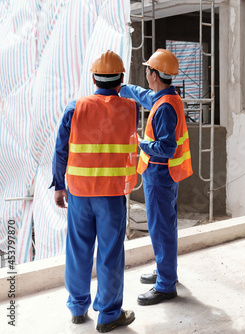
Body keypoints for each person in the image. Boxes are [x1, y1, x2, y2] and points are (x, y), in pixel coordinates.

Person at [51, 50, 138, 332]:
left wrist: (59, 186)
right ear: (121, 79)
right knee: (110, 252)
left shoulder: (74, 107)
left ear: (93, 77)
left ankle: (78, 308)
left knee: (78, 250)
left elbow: (61, 150)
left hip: (79, 191)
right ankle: (108, 314)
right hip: (111, 194)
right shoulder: (129, 108)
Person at [120, 48, 193, 306]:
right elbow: (146, 96)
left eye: (148, 70)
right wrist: (125, 88)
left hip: (160, 174)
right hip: (164, 174)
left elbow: (166, 147)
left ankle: (165, 286)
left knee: (160, 228)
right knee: (164, 226)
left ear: (153, 74)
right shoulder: (168, 97)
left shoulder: (164, 109)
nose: (146, 74)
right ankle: (166, 272)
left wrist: (141, 143)